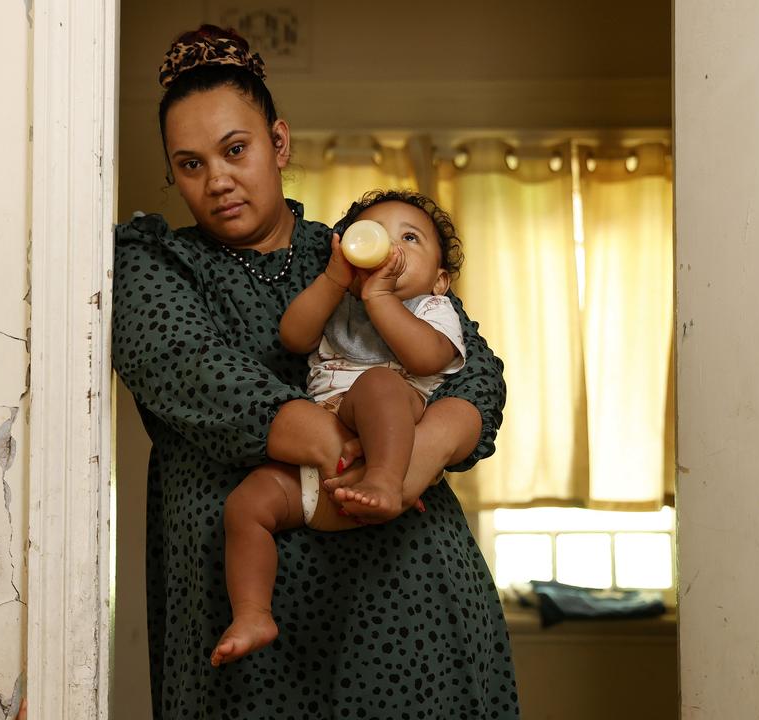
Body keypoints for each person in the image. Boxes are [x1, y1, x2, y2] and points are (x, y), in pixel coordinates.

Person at [113, 24, 518, 718]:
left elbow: (473, 372)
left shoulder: (365, 251)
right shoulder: (155, 266)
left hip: (407, 599)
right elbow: (199, 378)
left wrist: (410, 462)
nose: (217, 181)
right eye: (189, 164)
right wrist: (349, 450)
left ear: (278, 143)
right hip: (243, 619)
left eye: (235, 150)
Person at [213, 189, 469, 667]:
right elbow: (293, 336)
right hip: (323, 467)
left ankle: (387, 483)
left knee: (379, 384)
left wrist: (379, 296)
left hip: (385, 453)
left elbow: (426, 358)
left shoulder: (433, 311)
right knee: (247, 505)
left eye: (409, 238)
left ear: (440, 279)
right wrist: (336, 280)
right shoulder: (339, 300)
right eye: (375, 235)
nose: (391, 248)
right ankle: (252, 612)